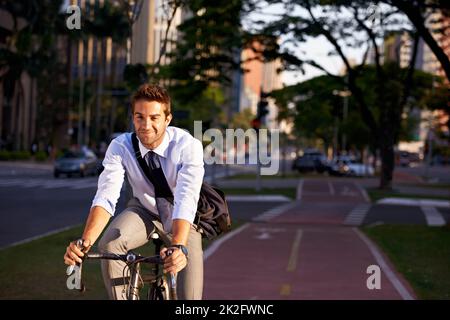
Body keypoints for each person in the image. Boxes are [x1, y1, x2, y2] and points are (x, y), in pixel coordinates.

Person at [63, 84, 205, 300]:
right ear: (133, 118)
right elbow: (106, 196)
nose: (146, 125)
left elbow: (186, 198)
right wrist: (84, 243)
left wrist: (179, 246)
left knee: (190, 297)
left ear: (167, 119)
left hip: (182, 217)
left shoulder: (188, 146)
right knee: (110, 244)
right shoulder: (120, 146)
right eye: (140, 117)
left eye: (154, 118)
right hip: (143, 210)